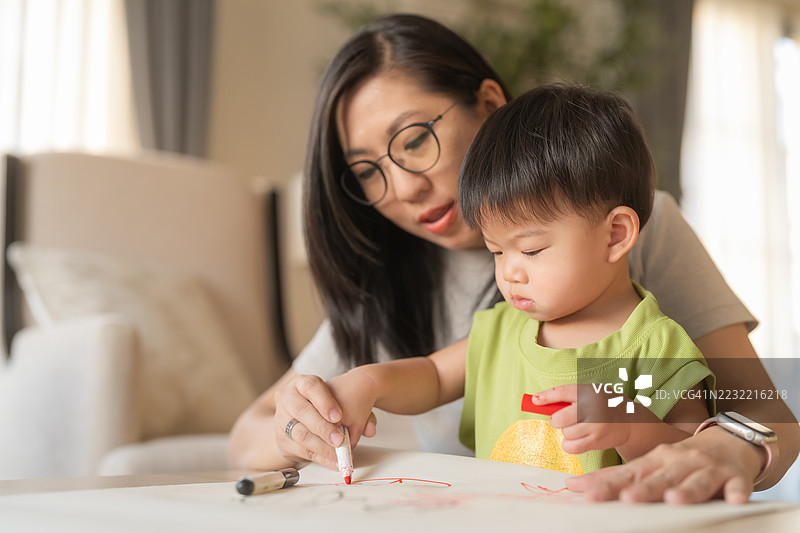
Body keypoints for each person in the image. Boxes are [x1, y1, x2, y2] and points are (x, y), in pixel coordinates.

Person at [228, 14, 799, 504]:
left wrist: (726, 445)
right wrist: (332, 404)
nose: (402, 189)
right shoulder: (398, 284)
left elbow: (763, 413)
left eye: (412, 141)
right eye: (367, 172)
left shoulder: (638, 242)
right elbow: (250, 432)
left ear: (488, 104)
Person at [318, 83, 717, 477]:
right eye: (496, 251)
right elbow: (434, 376)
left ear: (614, 235)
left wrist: (630, 422)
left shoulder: (655, 347)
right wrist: (369, 381)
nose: (509, 271)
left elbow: (698, 453)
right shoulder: (500, 331)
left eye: (531, 251)